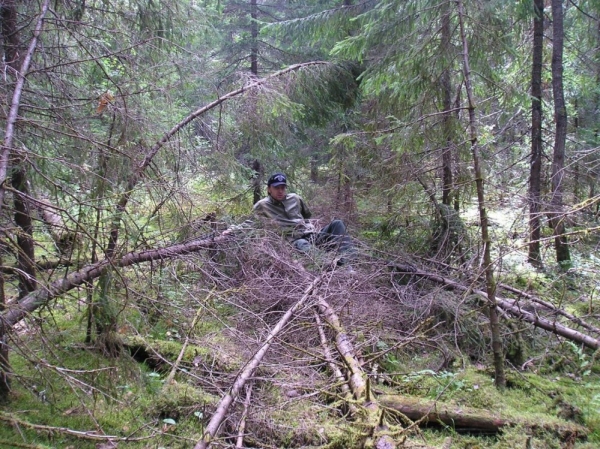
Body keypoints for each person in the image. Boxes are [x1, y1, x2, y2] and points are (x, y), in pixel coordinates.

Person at [251, 172, 354, 265]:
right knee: (301, 243)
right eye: (277, 188)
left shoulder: (295, 198)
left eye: (283, 187)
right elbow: (250, 222)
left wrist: (307, 227)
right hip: (293, 242)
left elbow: (307, 216)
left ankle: (347, 262)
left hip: (311, 236)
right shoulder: (262, 205)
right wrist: (234, 228)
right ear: (269, 189)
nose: (280, 191)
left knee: (337, 224)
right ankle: (329, 264)